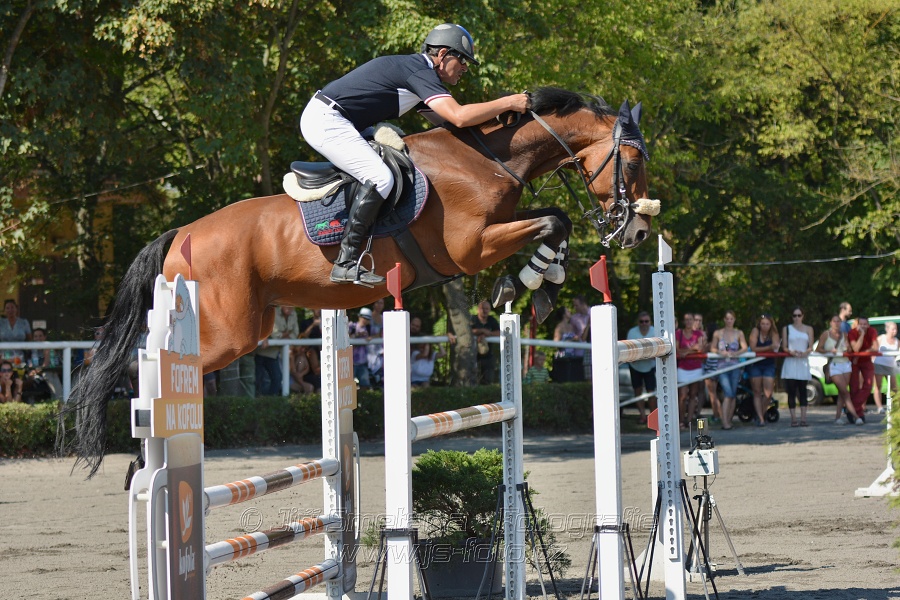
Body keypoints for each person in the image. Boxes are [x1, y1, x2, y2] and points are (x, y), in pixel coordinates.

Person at [299, 23, 529, 286]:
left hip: (341, 120)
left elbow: (449, 125)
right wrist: (509, 101)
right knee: (381, 178)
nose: (465, 67)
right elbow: (459, 116)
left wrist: (500, 119)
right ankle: (346, 262)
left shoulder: (420, 74)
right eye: (462, 59)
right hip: (327, 120)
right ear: (443, 54)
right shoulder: (419, 71)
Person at [710, 310, 748, 427]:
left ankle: (729, 420)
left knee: (733, 393)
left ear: (734, 320)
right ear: (724, 320)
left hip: (735, 366)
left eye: (731, 318)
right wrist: (721, 352)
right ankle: (725, 421)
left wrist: (736, 353)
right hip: (722, 367)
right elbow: (712, 348)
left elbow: (745, 347)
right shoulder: (718, 333)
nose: (729, 321)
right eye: (727, 318)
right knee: (728, 393)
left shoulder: (739, 333)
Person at [817, 315, 858, 425]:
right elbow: (818, 349)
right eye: (834, 321)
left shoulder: (844, 334)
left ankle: (837, 417)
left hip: (846, 364)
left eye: (838, 321)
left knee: (842, 392)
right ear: (830, 323)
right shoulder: (826, 334)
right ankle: (856, 416)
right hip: (834, 364)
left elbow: (849, 349)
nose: (836, 323)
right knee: (845, 391)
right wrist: (830, 351)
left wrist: (847, 347)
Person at [781, 307, 815, 427]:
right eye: (794, 315)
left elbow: (811, 346)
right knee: (791, 391)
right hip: (791, 361)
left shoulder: (808, 329)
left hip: (803, 362)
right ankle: (793, 419)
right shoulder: (787, 329)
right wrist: (791, 352)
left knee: (803, 391)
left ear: (803, 316)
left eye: (799, 315)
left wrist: (805, 352)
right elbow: (784, 346)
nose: (796, 318)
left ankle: (804, 418)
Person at [256, 305, 299, 396]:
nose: (290, 308)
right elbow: (274, 333)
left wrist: (283, 336)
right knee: (259, 379)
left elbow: (295, 333)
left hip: (275, 353)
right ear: (282, 305)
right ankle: (259, 401)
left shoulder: (293, 313)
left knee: (277, 378)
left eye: (291, 306)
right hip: (263, 352)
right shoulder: (274, 312)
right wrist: (286, 335)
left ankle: (271, 401)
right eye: (287, 305)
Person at [747, 314, 780, 425]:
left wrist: (766, 349)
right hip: (755, 364)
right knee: (756, 391)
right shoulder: (755, 331)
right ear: (759, 324)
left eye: (767, 324)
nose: (765, 326)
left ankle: (759, 413)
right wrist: (769, 348)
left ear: (771, 324)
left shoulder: (774, 333)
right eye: (763, 324)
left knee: (768, 393)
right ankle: (761, 419)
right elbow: (753, 348)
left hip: (769, 364)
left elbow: (775, 347)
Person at [626, 311, 656, 424]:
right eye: (641, 321)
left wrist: (646, 354)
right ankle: (643, 416)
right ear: (638, 322)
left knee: (651, 392)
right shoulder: (632, 333)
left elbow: (657, 351)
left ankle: (653, 418)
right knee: (637, 391)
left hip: (650, 367)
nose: (644, 323)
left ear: (650, 322)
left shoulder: (655, 331)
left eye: (646, 321)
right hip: (635, 366)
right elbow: (629, 351)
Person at [675, 313, 704, 430]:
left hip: (696, 367)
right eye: (686, 320)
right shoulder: (679, 333)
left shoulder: (698, 334)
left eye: (690, 320)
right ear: (683, 321)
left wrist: (687, 352)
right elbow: (677, 349)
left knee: (693, 394)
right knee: (682, 395)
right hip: (683, 368)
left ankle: (689, 420)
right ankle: (681, 419)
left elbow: (700, 348)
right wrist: (693, 349)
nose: (688, 322)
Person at [848, 315, 879, 421]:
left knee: (869, 385)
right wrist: (861, 335)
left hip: (865, 360)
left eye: (865, 324)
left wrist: (864, 353)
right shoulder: (852, 332)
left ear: (868, 324)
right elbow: (855, 348)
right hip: (854, 362)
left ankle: (851, 408)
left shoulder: (872, 331)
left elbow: (875, 347)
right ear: (857, 324)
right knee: (854, 387)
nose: (863, 326)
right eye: (861, 324)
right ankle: (858, 413)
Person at [696, 313, 722, 424]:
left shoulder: (709, 344)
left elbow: (701, 352)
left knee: (712, 394)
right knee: (716, 394)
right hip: (718, 369)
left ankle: (717, 416)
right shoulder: (720, 342)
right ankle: (720, 415)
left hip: (710, 370)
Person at [471, 300, 501, 385]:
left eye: (487, 308)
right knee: (472, 379)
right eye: (482, 308)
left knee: (487, 381)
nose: (484, 310)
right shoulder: (473, 319)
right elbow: (467, 331)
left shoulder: (492, 320)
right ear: (478, 309)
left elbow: (499, 333)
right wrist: (481, 331)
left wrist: (488, 334)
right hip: (473, 355)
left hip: (487, 356)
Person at [873, 321, 899, 415]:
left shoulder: (897, 341)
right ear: (887, 329)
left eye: (896, 329)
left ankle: (895, 406)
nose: (894, 331)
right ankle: (879, 407)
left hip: (891, 366)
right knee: (878, 386)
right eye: (893, 329)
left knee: (894, 387)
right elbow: (874, 349)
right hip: (879, 364)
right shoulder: (881, 338)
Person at [552, 306, 583, 383]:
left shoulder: (571, 326)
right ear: (564, 314)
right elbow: (556, 344)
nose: (570, 312)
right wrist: (569, 341)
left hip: (572, 356)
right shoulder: (559, 327)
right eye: (568, 311)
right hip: (563, 357)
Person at [298, 309, 323, 391]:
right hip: (310, 352)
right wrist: (313, 325)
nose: (319, 310)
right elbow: (302, 336)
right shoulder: (306, 322)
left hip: (322, 351)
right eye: (317, 308)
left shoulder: (329, 323)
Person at [1, 299, 32, 364]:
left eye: (12, 307)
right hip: (3, 357)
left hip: (20, 357)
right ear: (4, 310)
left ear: (16, 309)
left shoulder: (24, 322)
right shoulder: (1, 323)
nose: (10, 310)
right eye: (7, 308)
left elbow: (29, 339)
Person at [349, 308, 373, 389]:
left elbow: (379, 334)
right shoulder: (352, 326)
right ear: (359, 317)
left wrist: (371, 337)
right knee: (349, 386)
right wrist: (358, 335)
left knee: (365, 385)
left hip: (362, 362)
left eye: (367, 319)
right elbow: (346, 338)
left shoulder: (369, 329)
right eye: (364, 317)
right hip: (351, 362)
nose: (365, 320)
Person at [367, 299, 386, 386]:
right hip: (368, 349)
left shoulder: (383, 318)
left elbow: (383, 333)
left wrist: (374, 336)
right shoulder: (368, 317)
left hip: (380, 349)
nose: (379, 305)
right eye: (377, 302)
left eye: (381, 303)